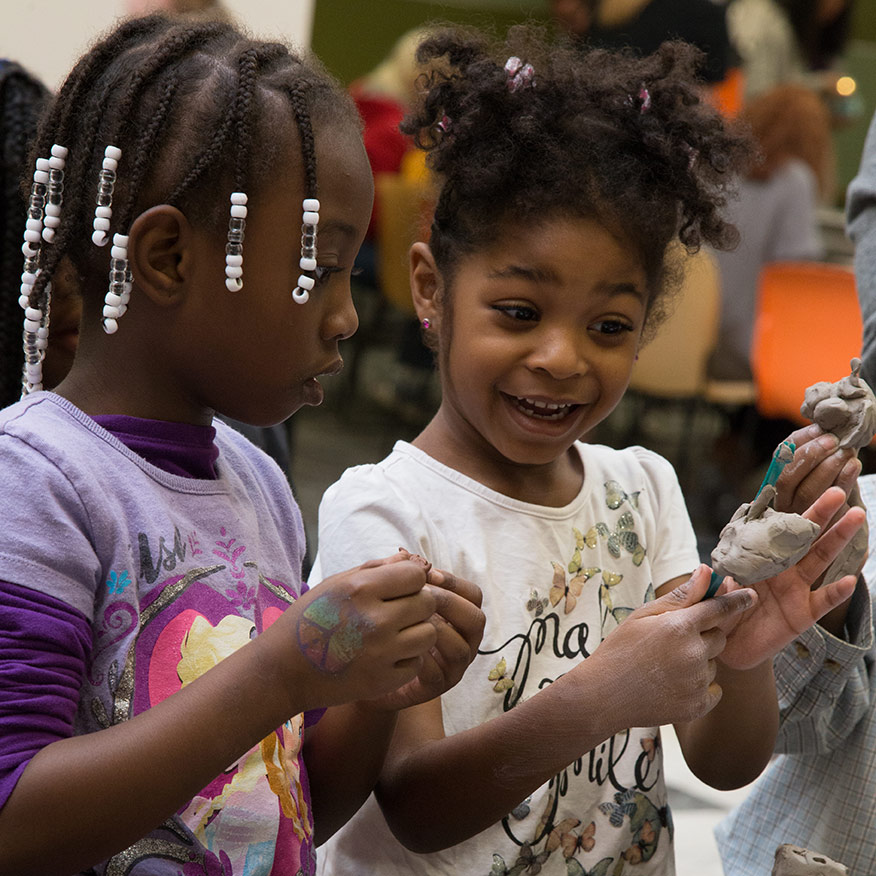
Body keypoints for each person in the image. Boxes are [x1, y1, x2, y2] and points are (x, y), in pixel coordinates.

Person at [309, 26, 865, 875]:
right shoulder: (387, 513)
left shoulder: (642, 491)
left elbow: (721, 758)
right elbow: (412, 803)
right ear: (431, 288)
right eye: (520, 312)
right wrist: (604, 695)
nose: (564, 357)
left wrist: (745, 654)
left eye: (608, 327)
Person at [0, 14, 486, 876]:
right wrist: (281, 672)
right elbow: (14, 819)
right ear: (168, 259)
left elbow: (288, 811)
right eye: (316, 269)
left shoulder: (257, 483)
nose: (344, 318)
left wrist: (372, 694)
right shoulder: (36, 480)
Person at [707, 82, 832, 383]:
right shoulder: (794, 180)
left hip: (677, 343)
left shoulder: (712, 166)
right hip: (740, 350)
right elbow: (796, 275)